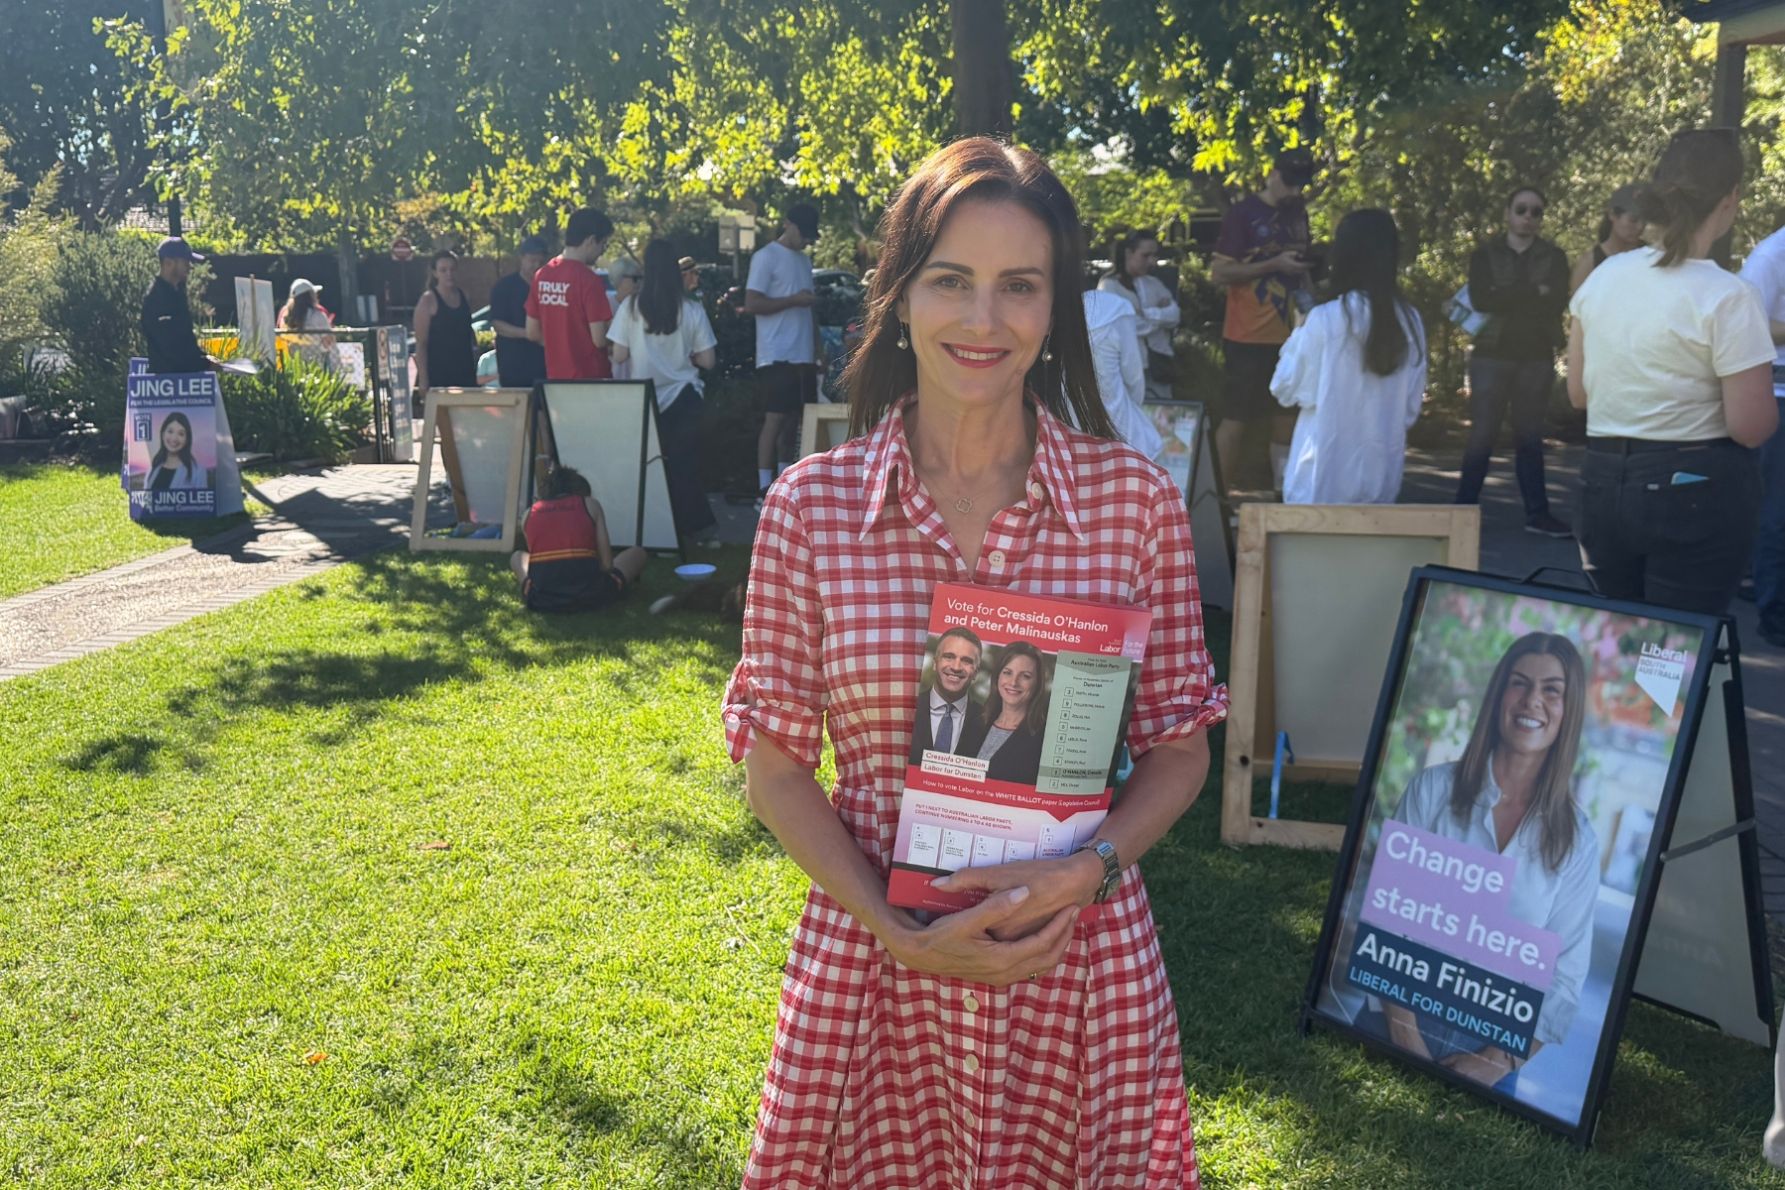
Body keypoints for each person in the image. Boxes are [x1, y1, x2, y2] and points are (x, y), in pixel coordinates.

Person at [723, 137, 1227, 1187]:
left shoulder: (1132, 505)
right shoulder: (809, 510)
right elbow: (775, 764)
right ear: (900, 296)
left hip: (1074, 954)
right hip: (875, 953)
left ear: (1055, 310)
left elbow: (1180, 744)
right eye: (951, 281)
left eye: (1020, 286)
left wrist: (1088, 869)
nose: (983, 320)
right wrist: (895, 929)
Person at [1367, 633, 1599, 1091]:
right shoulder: (1432, 790)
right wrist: (1407, 1039)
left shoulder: (1578, 839)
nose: (1533, 700)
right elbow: (1385, 921)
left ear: (1568, 711)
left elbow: (1565, 979)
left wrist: (1496, 1063)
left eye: (1552, 689)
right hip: (1398, 1019)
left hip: (1495, 1048)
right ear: (1499, 696)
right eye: (1519, 683)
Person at [1569, 128, 1778, 613]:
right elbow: (1749, 428)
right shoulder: (1728, 296)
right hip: (1693, 489)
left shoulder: (1604, 277)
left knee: (1614, 645)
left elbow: (1579, 395)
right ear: (1731, 198)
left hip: (1601, 481)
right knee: (1671, 657)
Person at [1270, 209, 1427, 504]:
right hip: (1381, 482)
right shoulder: (1410, 320)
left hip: (1319, 482)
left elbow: (1286, 389)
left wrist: (1298, 331)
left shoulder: (1327, 319)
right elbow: (1409, 409)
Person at [1453, 187, 1574, 538]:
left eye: (1536, 212)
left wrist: (1507, 296)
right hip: (1492, 354)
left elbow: (1555, 303)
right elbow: (1481, 298)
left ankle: (1538, 515)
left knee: (1530, 437)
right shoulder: (1484, 256)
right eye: (1522, 209)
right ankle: (1461, 512)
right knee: (1481, 436)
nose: (1528, 217)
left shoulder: (1554, 256)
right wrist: (1533, 293)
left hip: (1536, 355)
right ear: (1507, 213)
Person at [1210, 148, 1315, 489]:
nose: (1295, 191)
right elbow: (1219, 272)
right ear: (1272, 174)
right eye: (1289, 183)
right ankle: (1216, 501)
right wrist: (1274, 265)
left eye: (1301, 185)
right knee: (1236, 418)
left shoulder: (1298, 212)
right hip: (1246, 335)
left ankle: (1284, 497)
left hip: (1290, 335)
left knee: (1286, 419)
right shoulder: (1243, 214)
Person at [608, 238, 720, 539]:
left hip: (644, 398)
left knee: (650, 467)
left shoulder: (631, 307)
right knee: (685, 466)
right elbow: (708, 360)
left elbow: (618, 354)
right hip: (685, 396)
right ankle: (694, 529)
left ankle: (655, 529)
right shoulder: (690, 309)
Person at [743, 201, 822, 499]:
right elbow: (752, 303)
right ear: (787, 224)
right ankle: (764, 484)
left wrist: (818, 348)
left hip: (802, 352)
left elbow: (809, 307)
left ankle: (786, 481)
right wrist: (793, 301)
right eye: (803, 233)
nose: (805, 241)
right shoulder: (766, 257)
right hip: (776, 352)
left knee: (794, 420)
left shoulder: (803, 261)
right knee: (774, 417)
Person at [509, 464, 647, 613]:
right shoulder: (590, 505)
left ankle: (528, 587)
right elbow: (607, 565)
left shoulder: (529, 514)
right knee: (637, 553)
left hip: (543, 600)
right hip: (592, 596)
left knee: (517, 556)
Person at [1739, 221, 1785, 647]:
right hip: (1777, 392)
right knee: (1777, 509)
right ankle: (1775, 616)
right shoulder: (1773, 255)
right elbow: (1746, 319)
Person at [527, 208, 616, 381]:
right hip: (591, 378)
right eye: (603, 244)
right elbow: (599, 339)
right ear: (591, 240)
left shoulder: (542, 275)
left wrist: (560, 345)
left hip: (556, 380)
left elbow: (532, 332)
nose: (603, 251)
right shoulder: (589, 280)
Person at [1098, 230, 1181, 401]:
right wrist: (1159, 318)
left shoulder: (1153, 283)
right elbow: (1129, 326)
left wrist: (1147, 314)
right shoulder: (1109, 286)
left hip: (1159, 365)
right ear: (1129, 253)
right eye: (1145, 255)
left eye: (1154, 255)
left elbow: (1175, 315)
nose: (1152, 261)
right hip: (1128, 369)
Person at [1081, 284, 1163, 457]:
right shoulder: (1117, 309)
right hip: (1122, 431)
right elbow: (1134, 378)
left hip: (1071, 437)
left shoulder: (1041, 312)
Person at [974, 640, 1048, 785]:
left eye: (1025, 676)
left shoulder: (1043, 739)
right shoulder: (974, 723)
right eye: (1007, 672)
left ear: (1037, 684)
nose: (1014, 682)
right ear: (997, 677)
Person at [908, 626, 987, 764]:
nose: (956, 667)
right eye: (949, 657)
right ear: (935, 663)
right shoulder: (906, 707)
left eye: (966, 661)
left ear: (975, 672)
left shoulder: (988, 722)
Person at [140, 237, 214, 374]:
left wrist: (204, 357)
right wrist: (203, 364)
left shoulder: (177, 294)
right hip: (166, 384)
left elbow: (185, 339)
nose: (190, 266)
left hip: (185, 381)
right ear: (168, 263)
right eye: (185, 262)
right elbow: (170, 347)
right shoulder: (156, 299)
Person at [413, 249, 478, 397]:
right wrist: (423, 380)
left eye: (452, 269)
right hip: (439, 375)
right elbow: (421, 343)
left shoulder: (464, 296)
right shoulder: (427, 300)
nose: (449, 274)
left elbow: (468, 330)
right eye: (443, 270)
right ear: (435, 273)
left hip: (465, 372)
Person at [489, 235, 549, 388]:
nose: (536, 265)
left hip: (544, 365)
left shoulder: (549, 287)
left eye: (540, 262)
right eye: (532, 261)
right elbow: (498, 324)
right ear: (522, 258)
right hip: (514, 365)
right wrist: (529, 334)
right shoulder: (504, 287)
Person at [1569, 183, 1645, 294]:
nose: (1640, 227)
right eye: (1633, 220)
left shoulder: (1650, 255)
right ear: (1612, 215)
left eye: (1645, 221)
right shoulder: (1589, 263)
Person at [278, 278, 334, 370]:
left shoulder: (285, 317)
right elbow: (328, 341)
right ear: (310, 296)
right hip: (315, 362)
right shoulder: (317, 315)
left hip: (291, 364)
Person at [146, 411, 209, 491]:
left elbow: (203, 502)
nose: (174, 438)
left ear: (187, 439)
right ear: (163, 434)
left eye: (181, 434)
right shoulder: (154, 466)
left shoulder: (197, 472)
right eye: (170, 431)